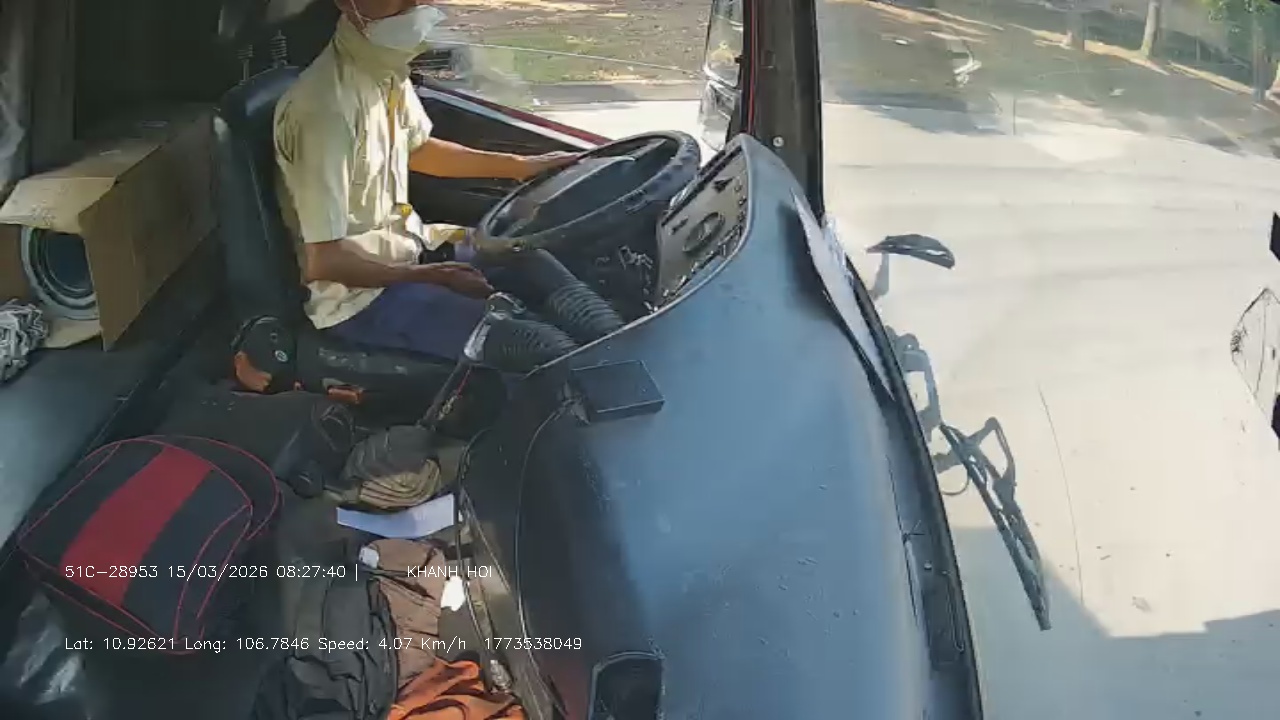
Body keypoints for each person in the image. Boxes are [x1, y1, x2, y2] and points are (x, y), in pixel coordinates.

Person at [274, 0, 577, 360]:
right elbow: (324, 262)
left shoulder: (383, 73)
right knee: (536, 346)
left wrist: (521, 166)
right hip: (359, 299)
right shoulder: (323, 111)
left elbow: (416, 149)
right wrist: (434, 276)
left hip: (411, 250)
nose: (415, 7)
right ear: (347, 5)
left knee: (535, 264)